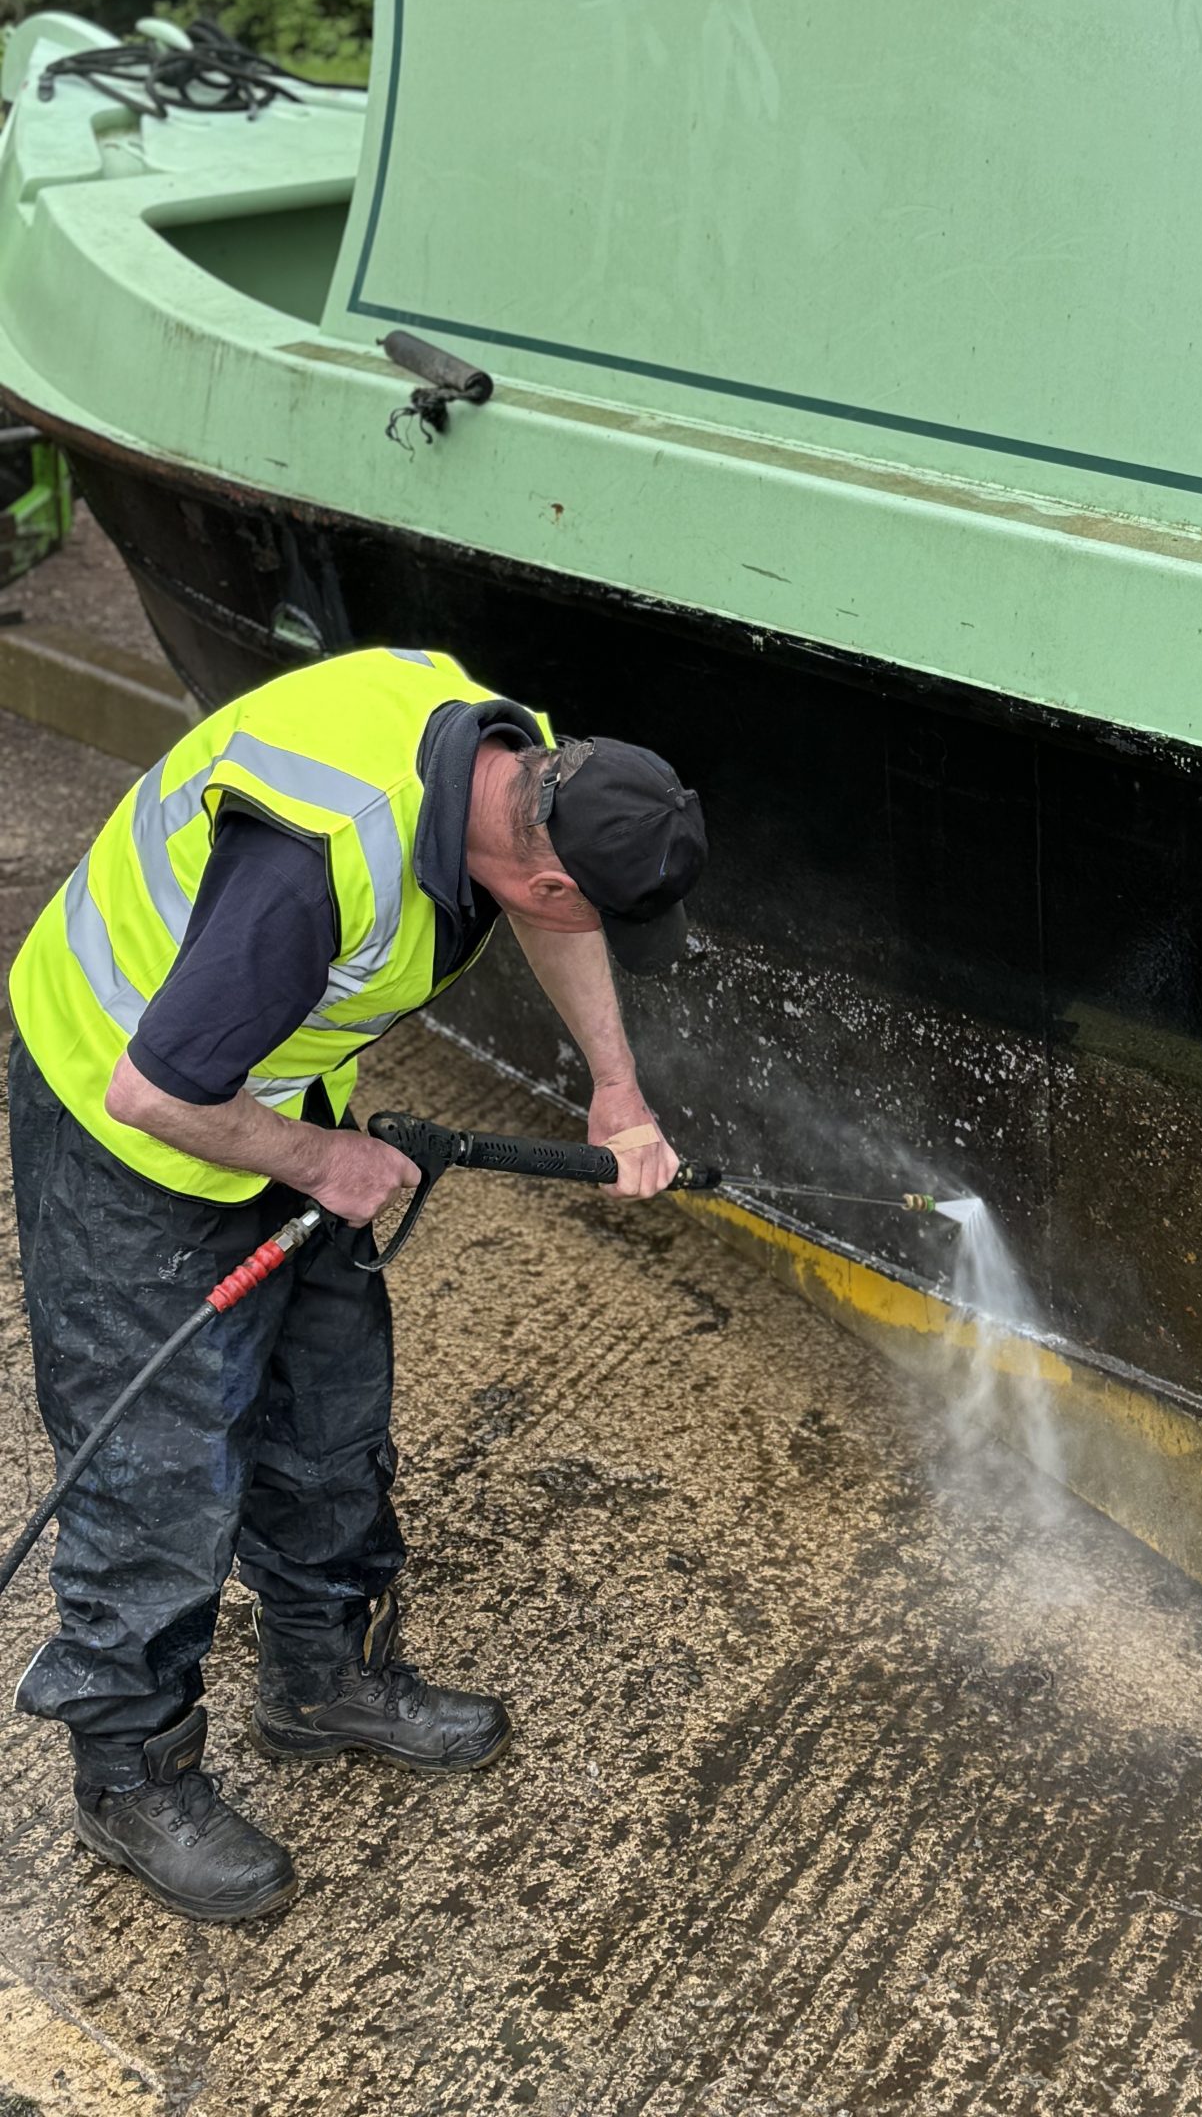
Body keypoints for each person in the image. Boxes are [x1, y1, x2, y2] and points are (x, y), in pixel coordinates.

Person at [4, 644, 706, 1922]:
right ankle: (129, 1778)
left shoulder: (521, 757)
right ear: (548, 864)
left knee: (328, 1404)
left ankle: (320, 1677)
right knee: (156, 1478)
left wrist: (614, 1084)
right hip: (124, 1117)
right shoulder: (314, 868)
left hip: (259, 1077)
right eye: (588, 906)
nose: (583, 926)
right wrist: (330, 1157)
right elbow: (155, 1092)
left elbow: (551, 917)